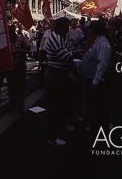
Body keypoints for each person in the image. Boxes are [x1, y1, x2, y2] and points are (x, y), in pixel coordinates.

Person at [44, 17, 74, 147]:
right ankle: (52, 137)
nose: (69, 29)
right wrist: (73, 53)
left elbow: (69, 49)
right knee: (55, 107)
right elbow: (67, 56)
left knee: (62, 105)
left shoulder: (61, 37)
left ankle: (60, 128)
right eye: (67, 26)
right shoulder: (56, 38)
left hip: (61, 75)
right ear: (62, 27)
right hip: (55, 76)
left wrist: (71, 52)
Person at [81, 21, 112, 135]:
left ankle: (101, 127)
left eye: (90, 28)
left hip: (96, 81)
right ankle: (93, 123)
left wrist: (95, 82)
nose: (88, 30)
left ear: (95, 29)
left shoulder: (103, 44)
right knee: (92, 104)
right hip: (89, 77)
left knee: (99, 105)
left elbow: (102, 65)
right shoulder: (96, 40)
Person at [6, 23, 30, 114]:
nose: (10, 32)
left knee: (20, 87)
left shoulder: (21, 38)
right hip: (10, 67)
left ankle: (20, 106)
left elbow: (28, 48)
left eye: (12, 29)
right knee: (11, 87)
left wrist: (19, 51)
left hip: (20, 66)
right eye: (9, 30)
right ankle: (12, 105)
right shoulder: (5, 40)